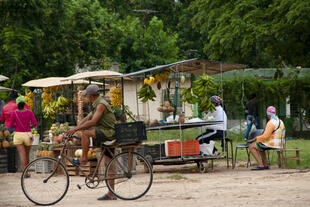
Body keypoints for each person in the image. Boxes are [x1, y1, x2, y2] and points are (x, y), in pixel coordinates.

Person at [65, 84, 117, 200]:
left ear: (90, 95)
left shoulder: (101, 105)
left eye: (86, 95)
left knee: (86, 133)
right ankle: (111, 193)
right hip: (105, 133)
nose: (86, 97)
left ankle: (83, 159)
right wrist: (74, 128)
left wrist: (77, 129)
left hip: (109, 133)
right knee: (108, 165)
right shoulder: (96, 104)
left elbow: (93, 121)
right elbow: (86, 119)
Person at [247, 106, 285, 170]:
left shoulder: (271, 123)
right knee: (260, 145)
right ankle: (265, 165)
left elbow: (265, 136)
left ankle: (260, 165)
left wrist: (255, 138)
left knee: (251, 146)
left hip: (272, 144)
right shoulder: (280, 121)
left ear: (268, 114)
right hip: (280, 143)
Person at [9, 96, 37, 173]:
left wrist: (17, 125)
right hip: (28, 134)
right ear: (24, 103)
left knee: (22, 155)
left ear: (17, 104)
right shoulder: (29, 112)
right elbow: (35, 123)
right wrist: (29, 126)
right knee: (27, 155)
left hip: (18, 135)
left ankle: (24, 173)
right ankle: (27, 171)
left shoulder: (14, 113)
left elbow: (11, 125)